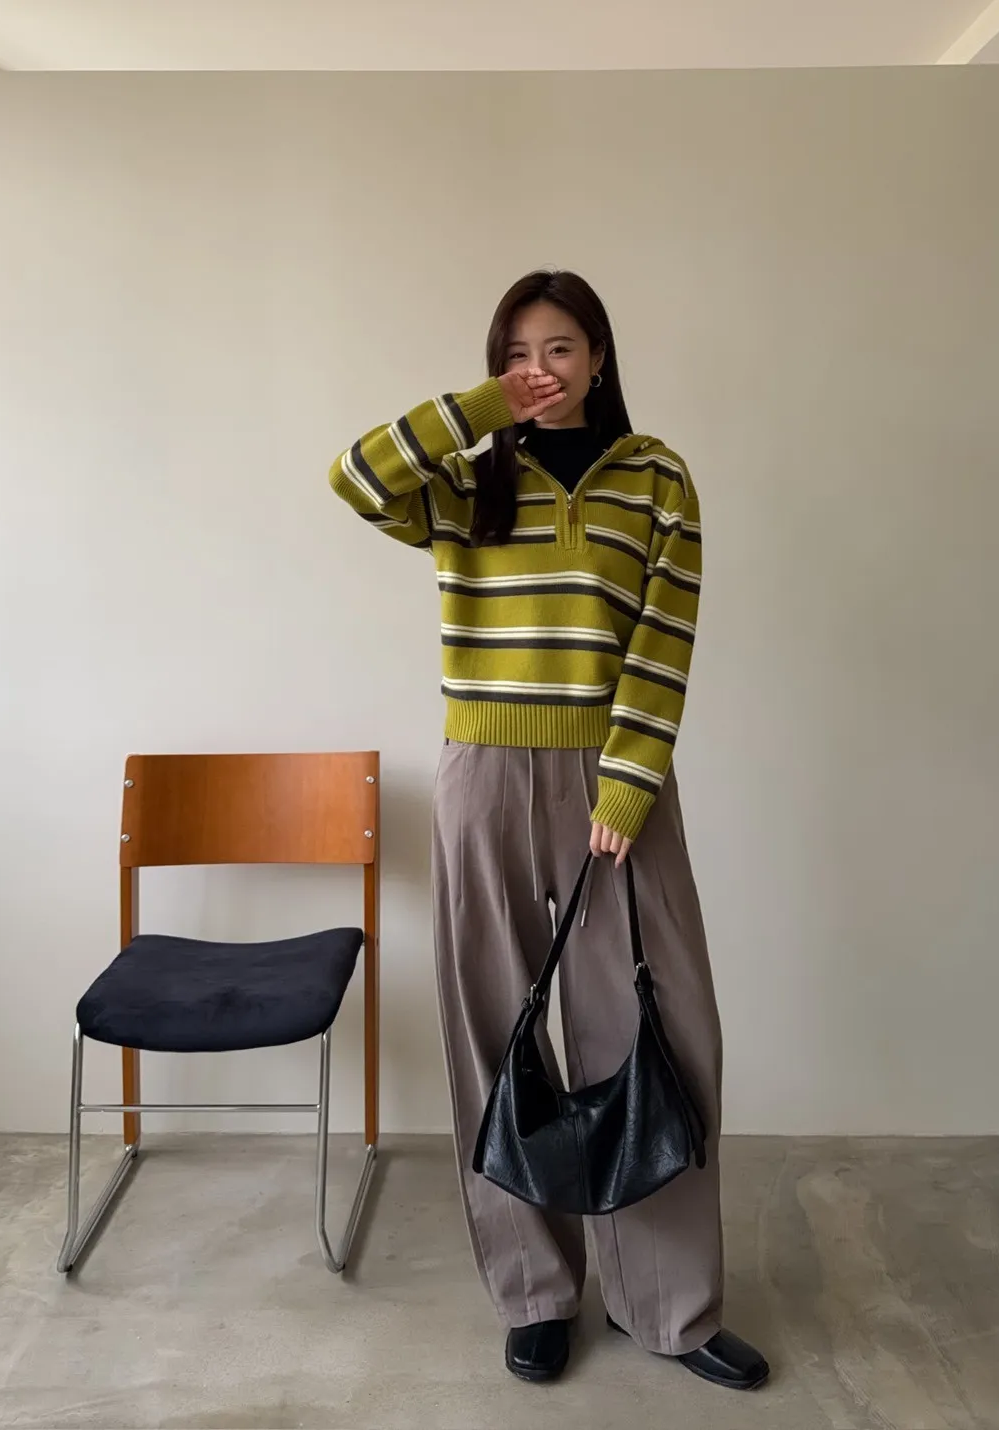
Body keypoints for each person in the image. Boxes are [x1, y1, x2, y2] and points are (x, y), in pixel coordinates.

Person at [329, 269, 769, 1390]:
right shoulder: (466, 478)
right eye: (518, 352)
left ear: (600, 357)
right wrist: (485, 411)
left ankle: (668, 1304)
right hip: (482, 770)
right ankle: (534, 1293)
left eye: (561, 347)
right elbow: (355, 474)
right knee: (495, 1031)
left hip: (615, 780)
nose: (541, 369)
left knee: (659, 1032)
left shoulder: (657, 476)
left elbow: (664, 633)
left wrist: (626, 786)